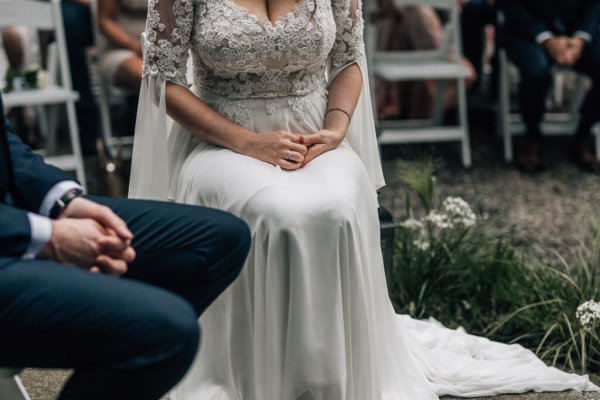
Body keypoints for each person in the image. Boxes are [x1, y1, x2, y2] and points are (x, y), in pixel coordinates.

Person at [129, 0, 599, 398]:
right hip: (220, 140)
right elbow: (162, 80)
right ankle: (260, 377)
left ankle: (333, 378)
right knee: (279, 211)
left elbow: (349, 60)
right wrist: (247, 143)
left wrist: (336, 128)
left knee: (332, 207)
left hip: (316, 130)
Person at [0, 90, 251, 400]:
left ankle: (116, 342)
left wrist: (64, 201)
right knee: (166, 333)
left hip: (18, 213)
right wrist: (46, 237)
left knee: (219, 240)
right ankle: (131, 337)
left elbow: (5, 143)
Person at [499, 0, 600, 172]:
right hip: (527, 33)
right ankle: (531, 135)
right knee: (536, 70)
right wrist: (545, 38)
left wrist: (580, 39)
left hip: (574, 31)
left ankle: (583, 134)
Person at [97, 0, 145, 92]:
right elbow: (105, 21)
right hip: (122, 49)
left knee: (171, 79)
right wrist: (136, 46)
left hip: (168, 48)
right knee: (152, 77)